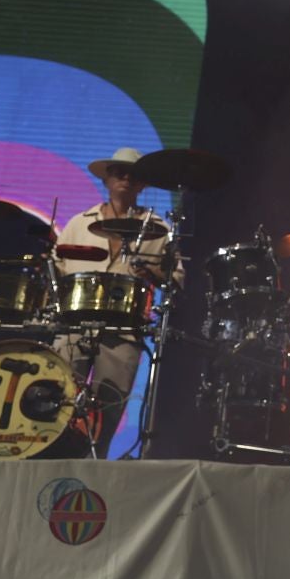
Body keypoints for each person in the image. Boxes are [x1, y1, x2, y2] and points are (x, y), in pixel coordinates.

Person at [53, 147, 178, 451]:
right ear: (106, 179)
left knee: (106, 417)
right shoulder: (79, 223)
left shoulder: (158, 228)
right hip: (73, 326)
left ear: (142, 184)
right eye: (118, 171)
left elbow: (175, 278)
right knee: (57, 407)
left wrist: (151, 272)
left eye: (132, 174)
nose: (125, 177)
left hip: (123, 332)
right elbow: (55, 272)